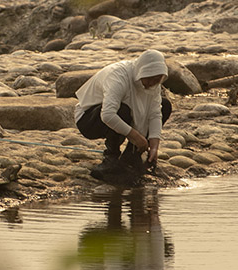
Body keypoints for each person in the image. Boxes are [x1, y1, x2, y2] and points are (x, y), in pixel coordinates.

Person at [74, 49, 172, 182]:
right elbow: (108, 115)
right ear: (141, 72)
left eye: (156, 80)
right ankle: (111, 156)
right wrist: (136, 136)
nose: (151, 83)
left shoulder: (154, 85)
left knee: (165, 105)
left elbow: (155, 114)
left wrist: (154, 146)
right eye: (149, 79)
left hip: (121, 115)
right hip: (89, 120)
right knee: (122, 111)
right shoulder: (118, 76)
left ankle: (132, 155)